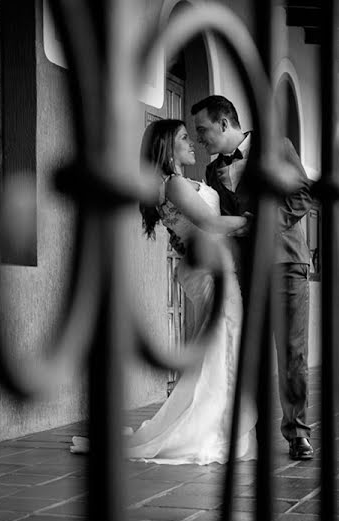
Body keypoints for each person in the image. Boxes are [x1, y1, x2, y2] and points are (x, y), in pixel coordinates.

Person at [71, 119, 256, 465]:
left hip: (209, 267)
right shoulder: (172, 185)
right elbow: (212, 223)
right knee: (225, 345)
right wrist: (256, 220)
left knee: (222, 347)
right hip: (212, 271)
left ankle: (219, 423)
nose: (192, 143)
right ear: (167, 147)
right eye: (184, 138)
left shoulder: (178, 184)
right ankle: (209, 430)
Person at [191, 95, 315, 461]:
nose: (200, 139)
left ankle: (297, 433)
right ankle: (252, 428)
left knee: (292, 351)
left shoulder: (276, 146)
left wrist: (255, 224)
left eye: (203, 130)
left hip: (287, 261)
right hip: (247, 271)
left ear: (225, 124)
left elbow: (302, 197)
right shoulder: (213, 172)